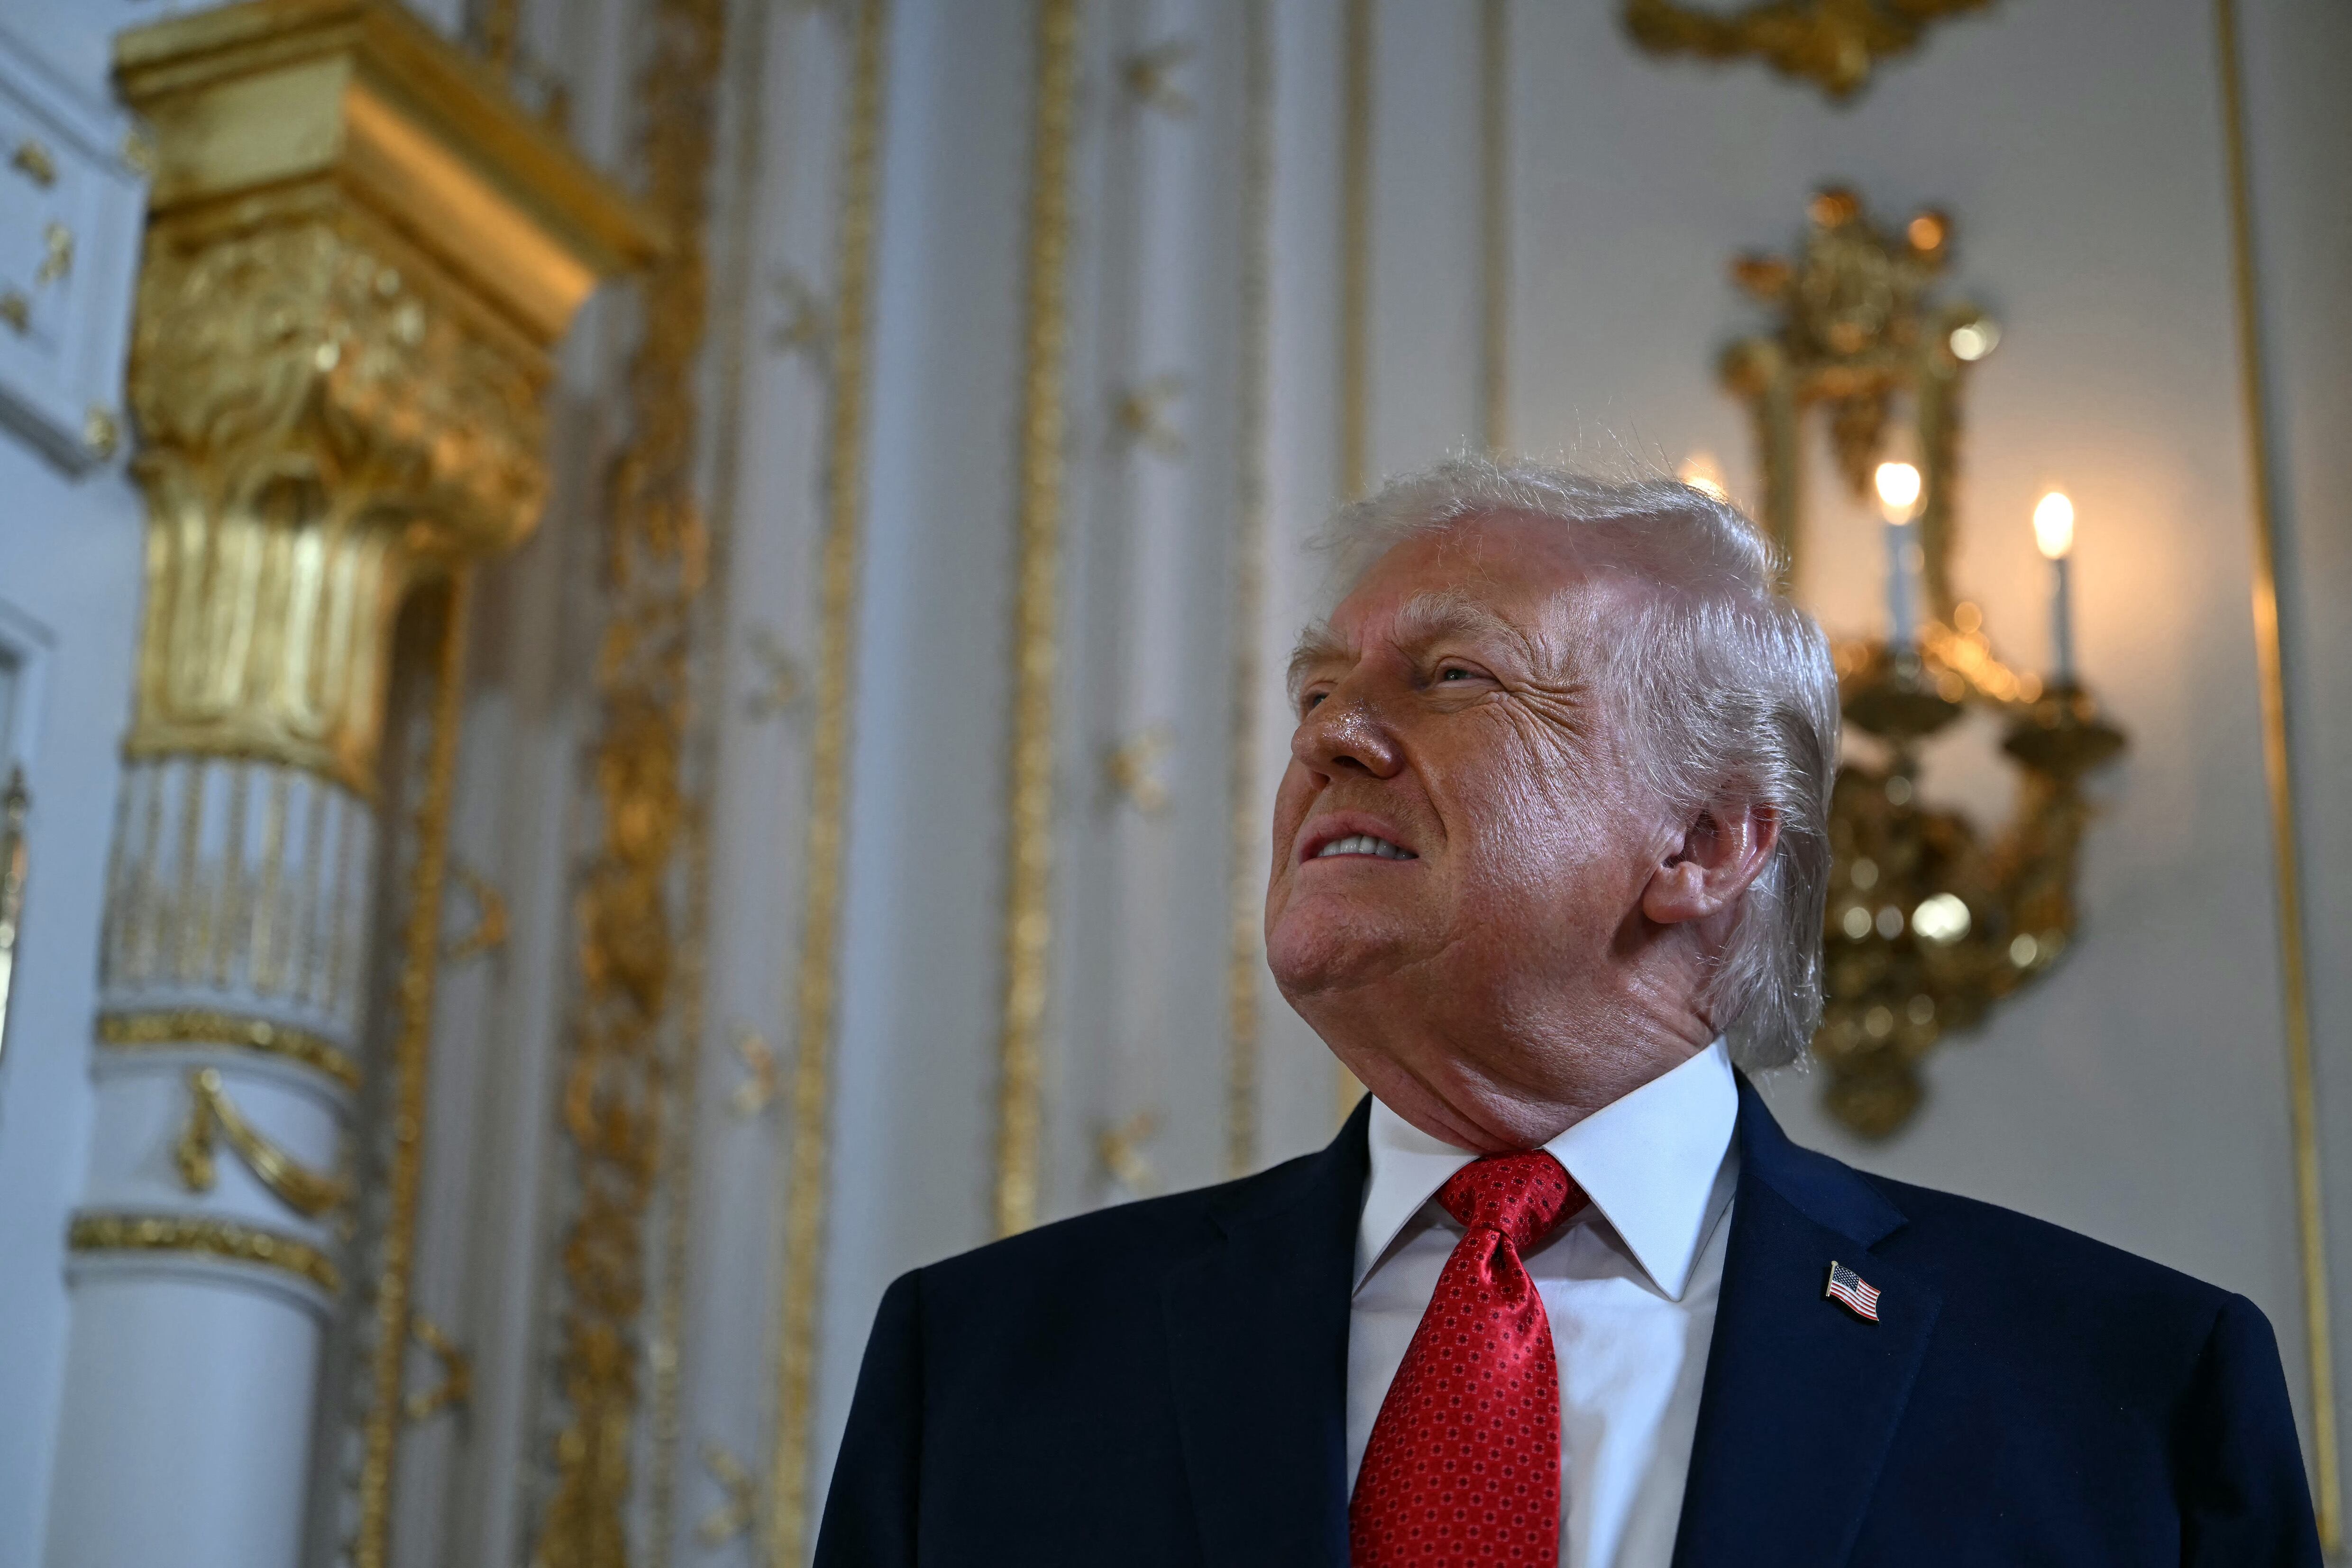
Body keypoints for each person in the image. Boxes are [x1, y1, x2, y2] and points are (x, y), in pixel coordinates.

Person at [813, 458, 2320, 1567]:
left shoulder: (2122, 1392)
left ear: (1706, 843)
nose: (1333, 735)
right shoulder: (987, 1365)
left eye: (1451, 676)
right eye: (1318, 692)